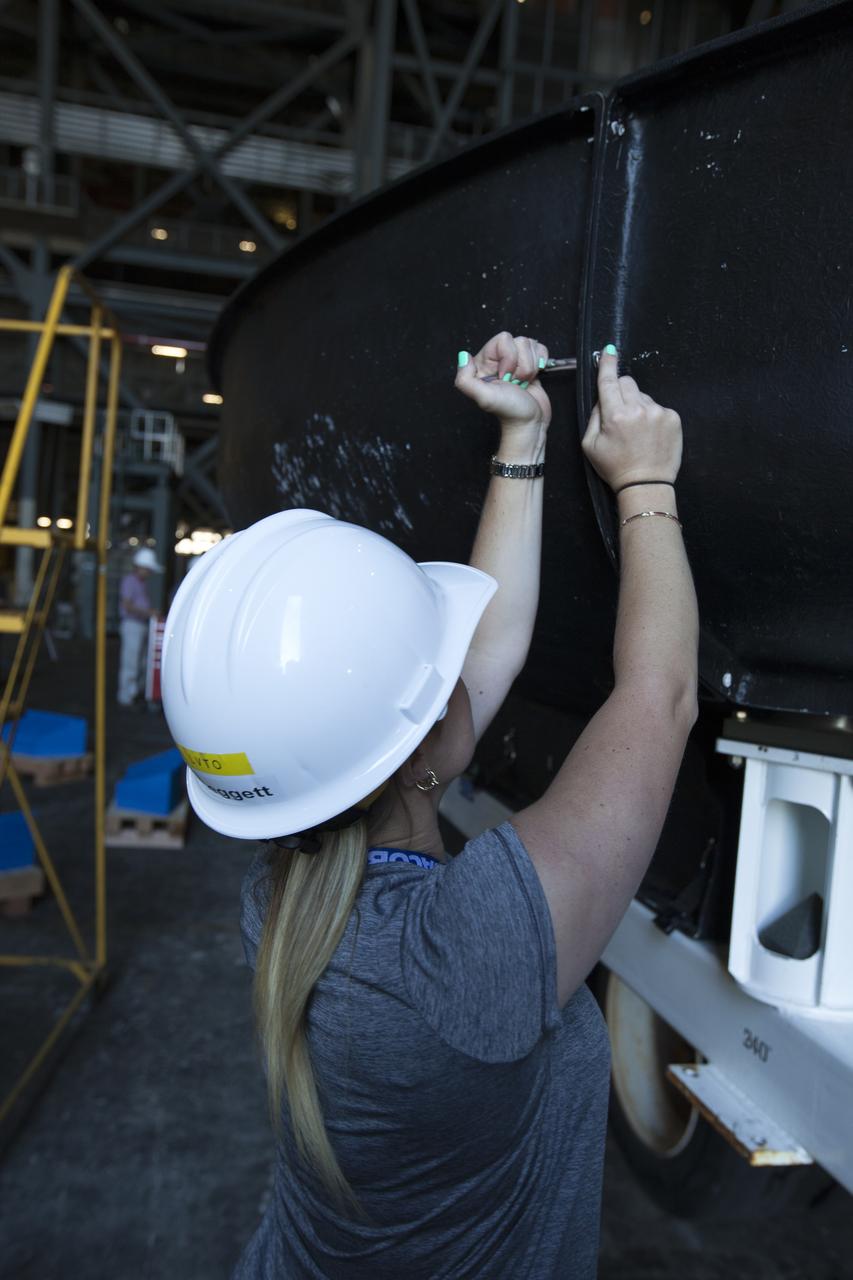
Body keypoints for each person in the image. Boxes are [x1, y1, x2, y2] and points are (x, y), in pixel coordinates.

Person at [161, 333, 698, 1279]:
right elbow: (657, 697)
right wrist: (645, 480)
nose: (462, 672)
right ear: (417, 748)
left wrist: (522, 437)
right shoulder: (463, 951)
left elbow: (460, 675)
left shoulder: (284, 892)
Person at [117, 546, 163, 707]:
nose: (149, 572)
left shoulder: (139, 583)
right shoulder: (130, 581)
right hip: (132, 624)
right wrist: (149, 612)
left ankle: (133, 693)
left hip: (139, 624)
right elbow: (127, 606)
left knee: (139, 661)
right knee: (131, 662)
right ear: (141, 567)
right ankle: (126, 696)